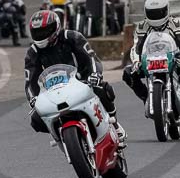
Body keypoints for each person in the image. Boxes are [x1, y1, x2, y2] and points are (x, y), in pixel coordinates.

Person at [24, 10, 126, 146]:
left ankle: (114, 123)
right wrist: (33, 98)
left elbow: (91, 58)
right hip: (54, 88)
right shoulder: (33, 52)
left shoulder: (72, 37)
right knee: (35, 118)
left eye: (45, 31)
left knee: (103, 89)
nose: (41, 36)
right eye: (37, 33)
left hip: (81, 80)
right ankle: (59, 133)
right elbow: (30, 80)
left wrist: (95, 74)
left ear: (56, 27)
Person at [123, 0, 180, 111]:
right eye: (152, 13)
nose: (156, 16)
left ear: (166, 10)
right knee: (128, 73)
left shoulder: (175, 24)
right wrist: (136, 61)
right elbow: (136, 46)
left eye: (159, 12)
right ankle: (145, 96)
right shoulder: (142, 27)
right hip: (150, 60)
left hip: (172, 58)